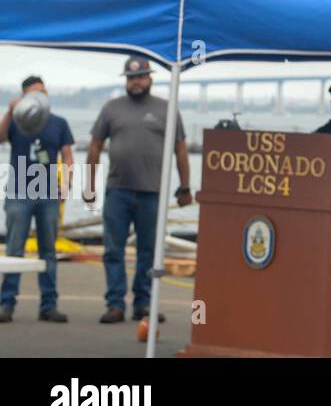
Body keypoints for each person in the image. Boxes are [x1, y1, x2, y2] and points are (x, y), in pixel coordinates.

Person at [85, 57, 193, 324]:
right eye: (132, 78)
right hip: (117, 191)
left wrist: (185, 186)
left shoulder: (167, 109)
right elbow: (95, 146)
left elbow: (180, 149)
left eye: (141, 77)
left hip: (151, 193)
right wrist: (89, 186)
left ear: (150, 78)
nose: (136, 82)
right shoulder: (111, 108)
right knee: (113, 250)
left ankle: (143, 305)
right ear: (126, 80)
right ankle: (115, 305)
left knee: (149, 251)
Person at [0, 76, 74, 323]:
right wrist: (10, 112)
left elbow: (67, 155)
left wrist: (67, 184)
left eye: (43, 92)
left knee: (48, 251)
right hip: (19, 192)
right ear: (23, 97)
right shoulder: (17, 121)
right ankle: (6, 303)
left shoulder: (58, 122)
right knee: (14, 249)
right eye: (33, 94)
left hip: (47, 194)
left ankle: (49, 305)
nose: (40, 97)